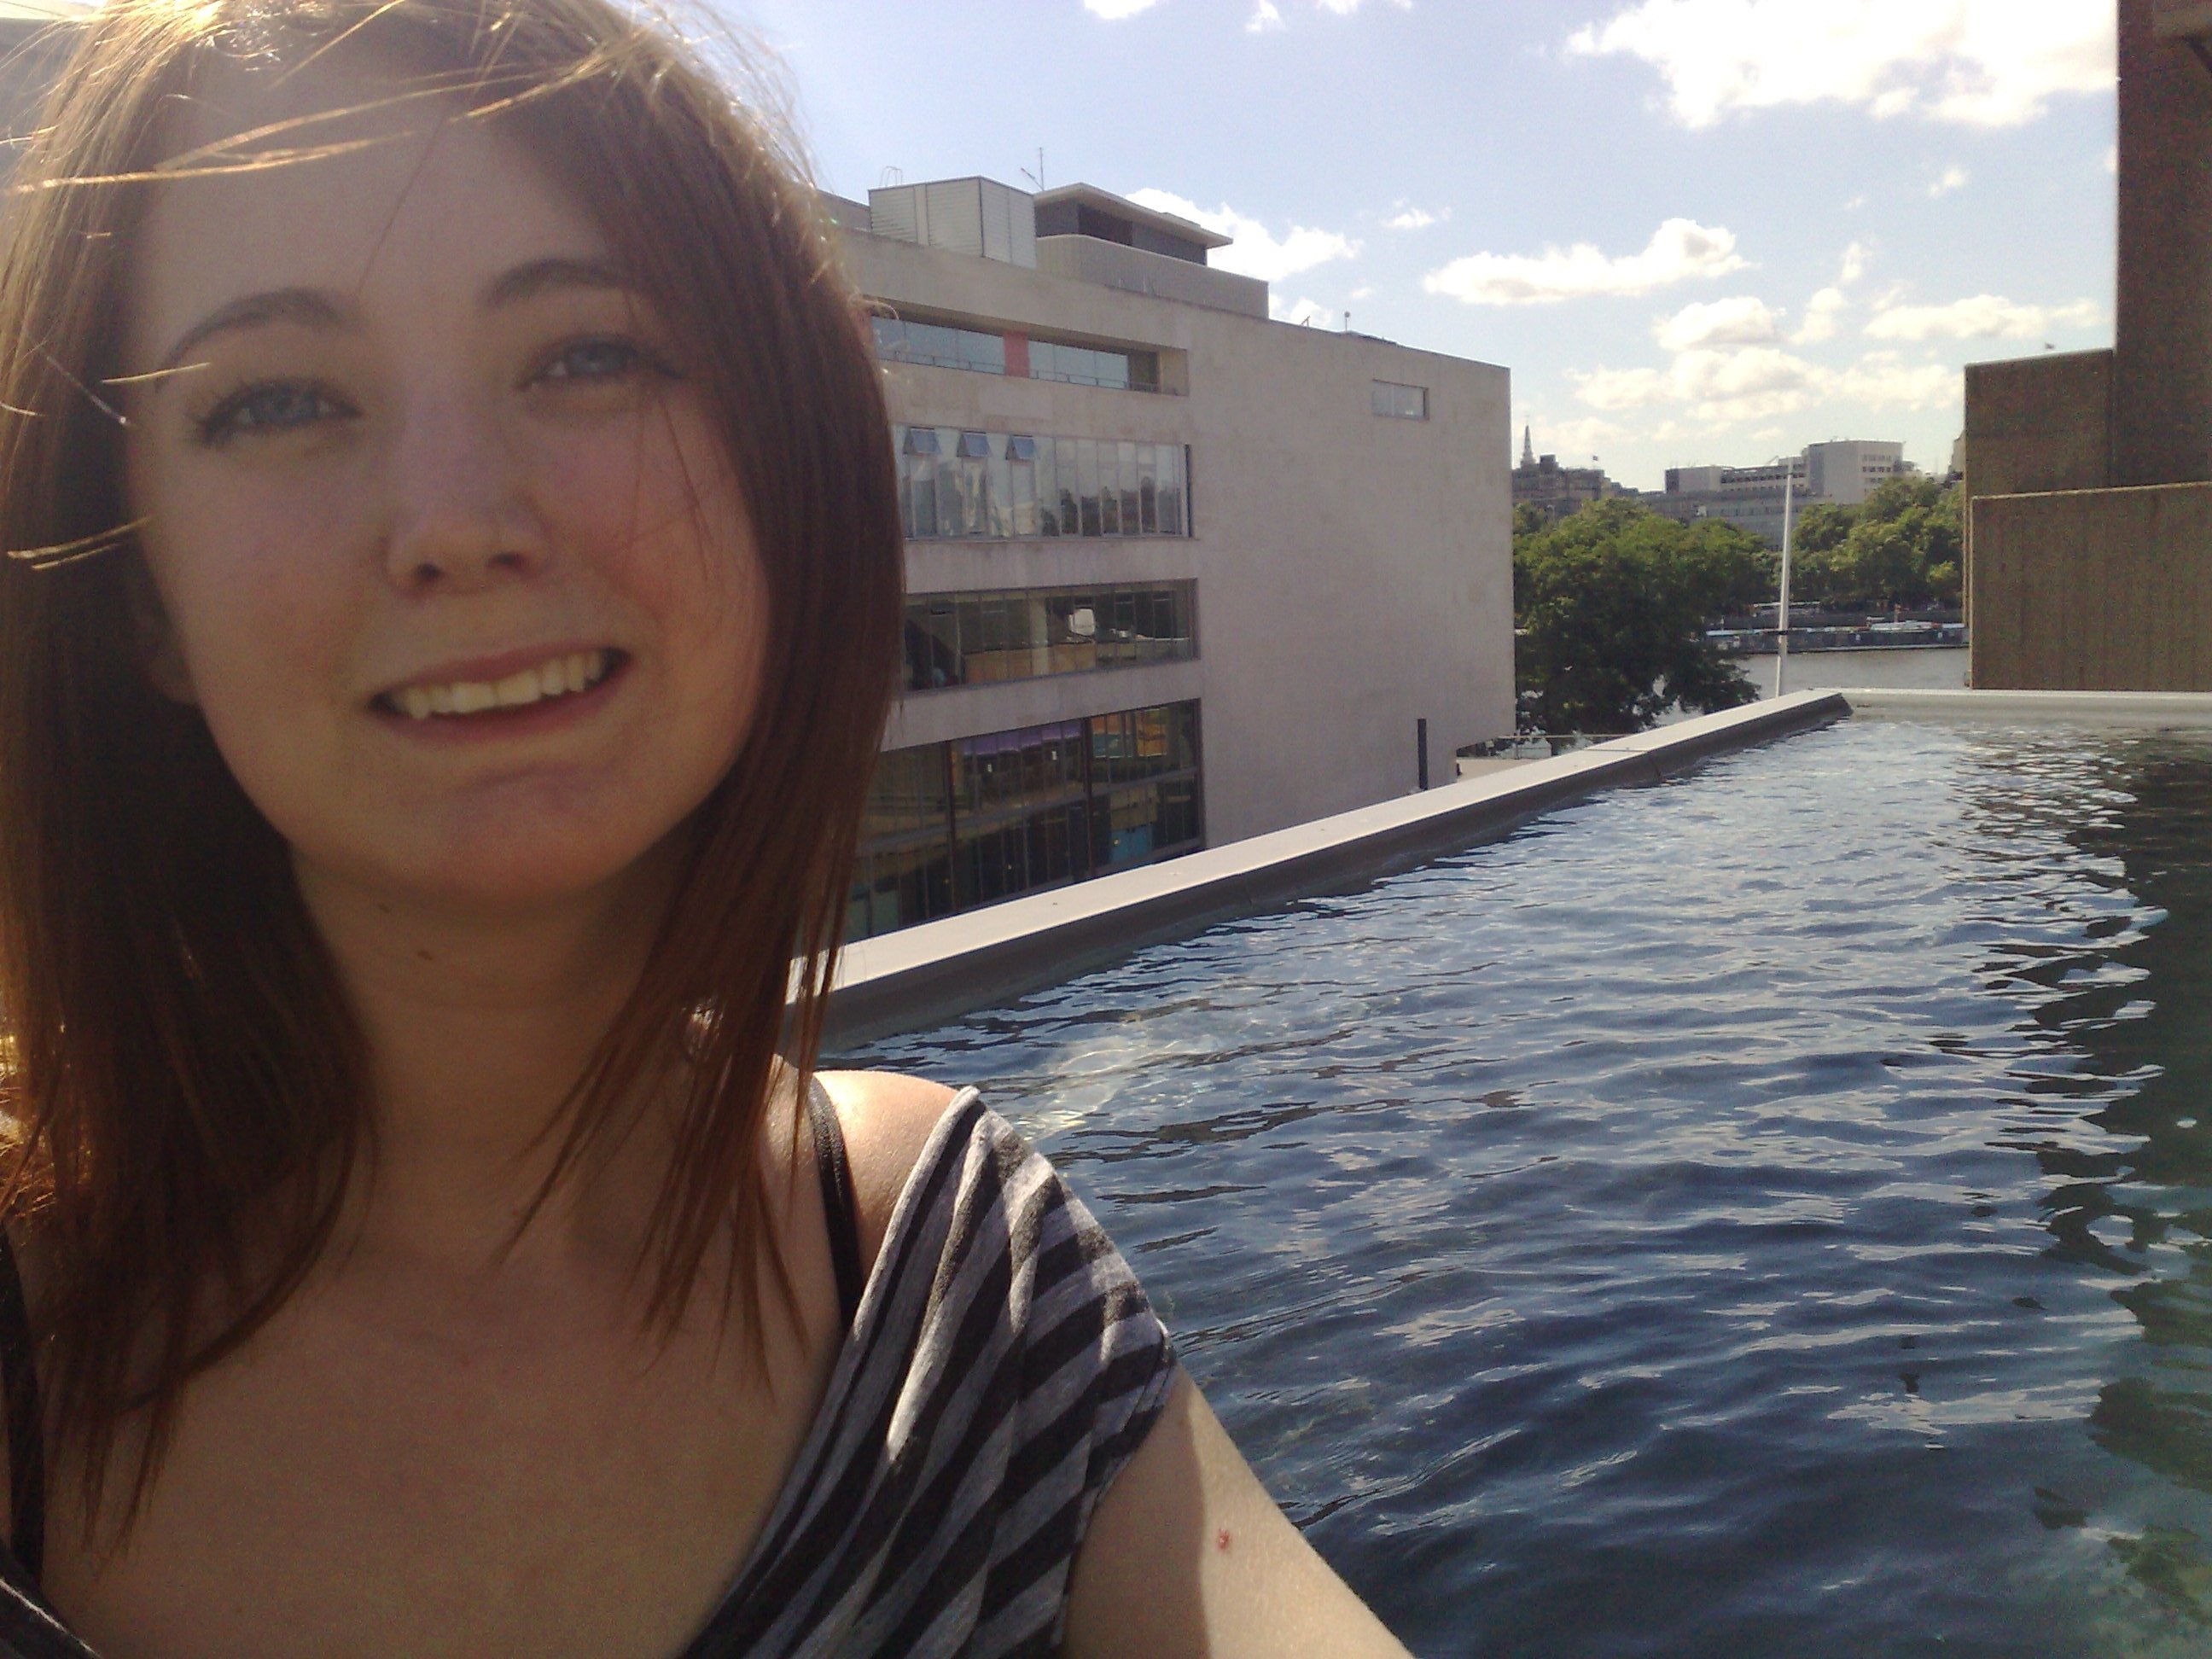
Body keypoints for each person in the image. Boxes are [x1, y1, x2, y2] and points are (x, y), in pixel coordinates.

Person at [0, 0, 1413, 1653]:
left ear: (780, 474)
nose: (453, 523)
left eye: (587, 357)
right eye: (276, 402)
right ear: (138, 596)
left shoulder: (962, 1285)